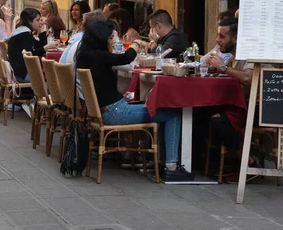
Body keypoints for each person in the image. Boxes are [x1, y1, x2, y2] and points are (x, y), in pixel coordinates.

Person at [75, 19, 194, 181]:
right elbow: (126, 58)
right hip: (115, 112)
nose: (113, 41)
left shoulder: (85, 55)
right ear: (101, 39)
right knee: (172, 113)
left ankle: (161, 162)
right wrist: (136, 45)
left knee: (157, 109)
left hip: (105, 110)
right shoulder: (99, 55)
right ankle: (171, 166)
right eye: (110, 38)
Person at [204, 17, 258, 181]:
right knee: (201, 112)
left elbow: (248, 78)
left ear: (235, 38)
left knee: (218, 121)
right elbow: (223, 69)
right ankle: (210, 162)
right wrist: (212, 65)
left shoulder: (250, 52)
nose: (217, 40)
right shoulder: (234, 55)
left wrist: (224, 67)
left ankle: (248, 161)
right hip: (237, 104)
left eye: (222, 36)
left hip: (256, 107)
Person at [7, 8, 59, 83]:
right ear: (29, 21)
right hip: (22, 74)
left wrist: (41, 30)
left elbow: (38, 45)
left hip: (17, 71)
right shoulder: (25, 35)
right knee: (52, 78)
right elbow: (30, 56)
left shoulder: (22, 31)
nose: (40, 23)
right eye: (37, 20)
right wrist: (45, 48)